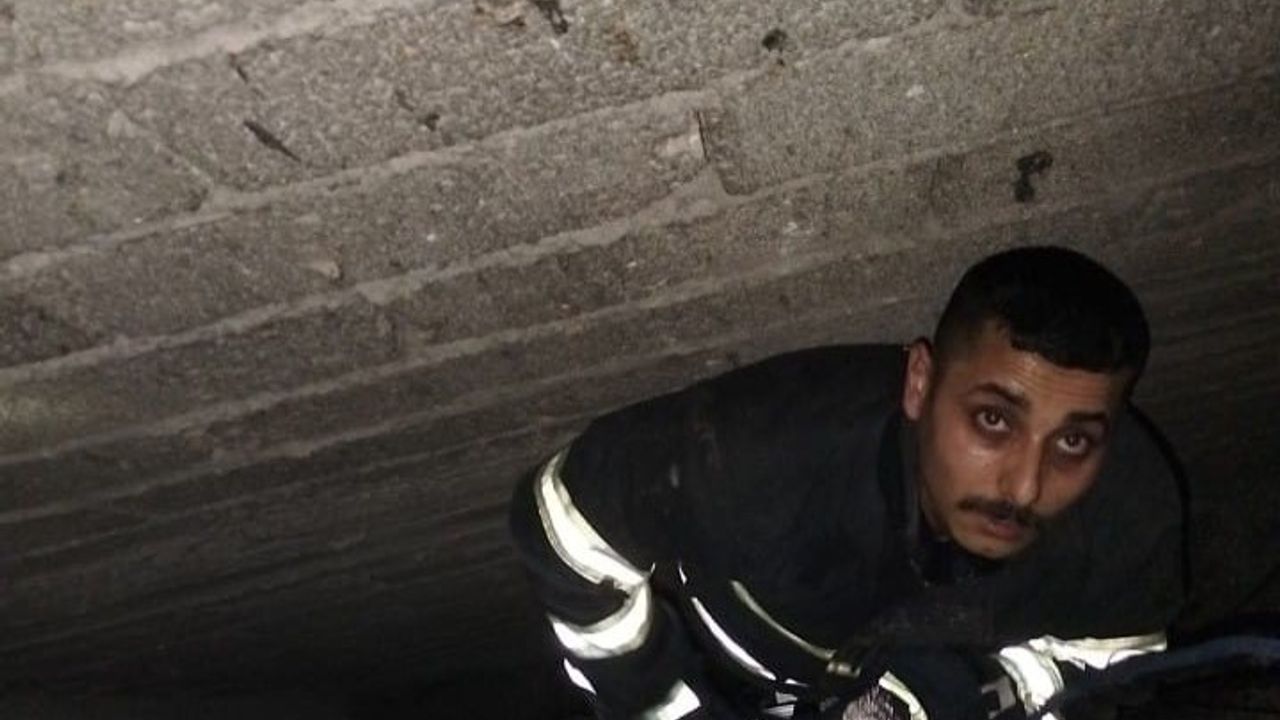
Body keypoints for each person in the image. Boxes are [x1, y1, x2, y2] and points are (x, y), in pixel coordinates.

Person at [508, 246, 1186, 720]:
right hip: (729, 675)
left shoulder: (1128, 511)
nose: (1025, 485)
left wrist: (951, 700)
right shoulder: (768, 451)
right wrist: (659, 705)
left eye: (1073, 442)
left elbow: (1113, 672)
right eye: (992, 420)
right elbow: (563, 525)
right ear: (920, 383)